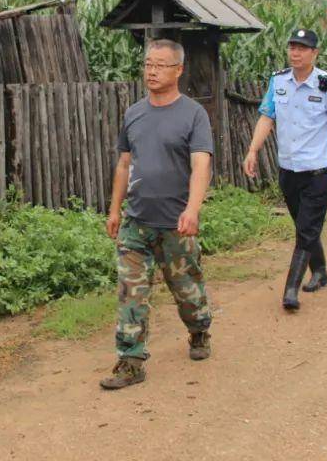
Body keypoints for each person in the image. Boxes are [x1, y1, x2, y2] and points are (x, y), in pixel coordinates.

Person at [99, 38, 214, 390]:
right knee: (131, 292)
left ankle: (199, 330)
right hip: (137, 222)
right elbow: (123, 164)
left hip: (176, 224)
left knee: (186, 290)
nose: (151, 70)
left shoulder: (194, 113)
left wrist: (193, 210)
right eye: (148, 63)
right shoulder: (134, 113)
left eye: (160, 64)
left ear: (178, 70)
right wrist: (115, 209)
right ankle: (131, 361)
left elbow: (201, 164)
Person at [244, 29, 327, 311]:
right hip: (288, 170)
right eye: (292, 47)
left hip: (318, 171)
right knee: (305, 226)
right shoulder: (278, 81)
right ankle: (321, 270)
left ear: (314, 53)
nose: (295, 52)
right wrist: (253, 150)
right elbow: (267, 116)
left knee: (306, 229)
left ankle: (290, 289)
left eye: (302, 48)